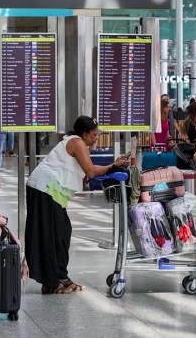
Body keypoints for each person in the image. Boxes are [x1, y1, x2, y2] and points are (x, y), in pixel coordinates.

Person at [25, 116, 128, 294]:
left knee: (59, 232)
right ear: (85, 133)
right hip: (45, 188)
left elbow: (88, 167)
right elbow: (90, 171)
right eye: (94, 135)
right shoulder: (77, 142)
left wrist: (112, 166)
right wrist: (112, 167)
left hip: (48, 189)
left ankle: (54, 279)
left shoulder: (77, 142)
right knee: (57, 234)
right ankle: (57, 279)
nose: (96, 138)